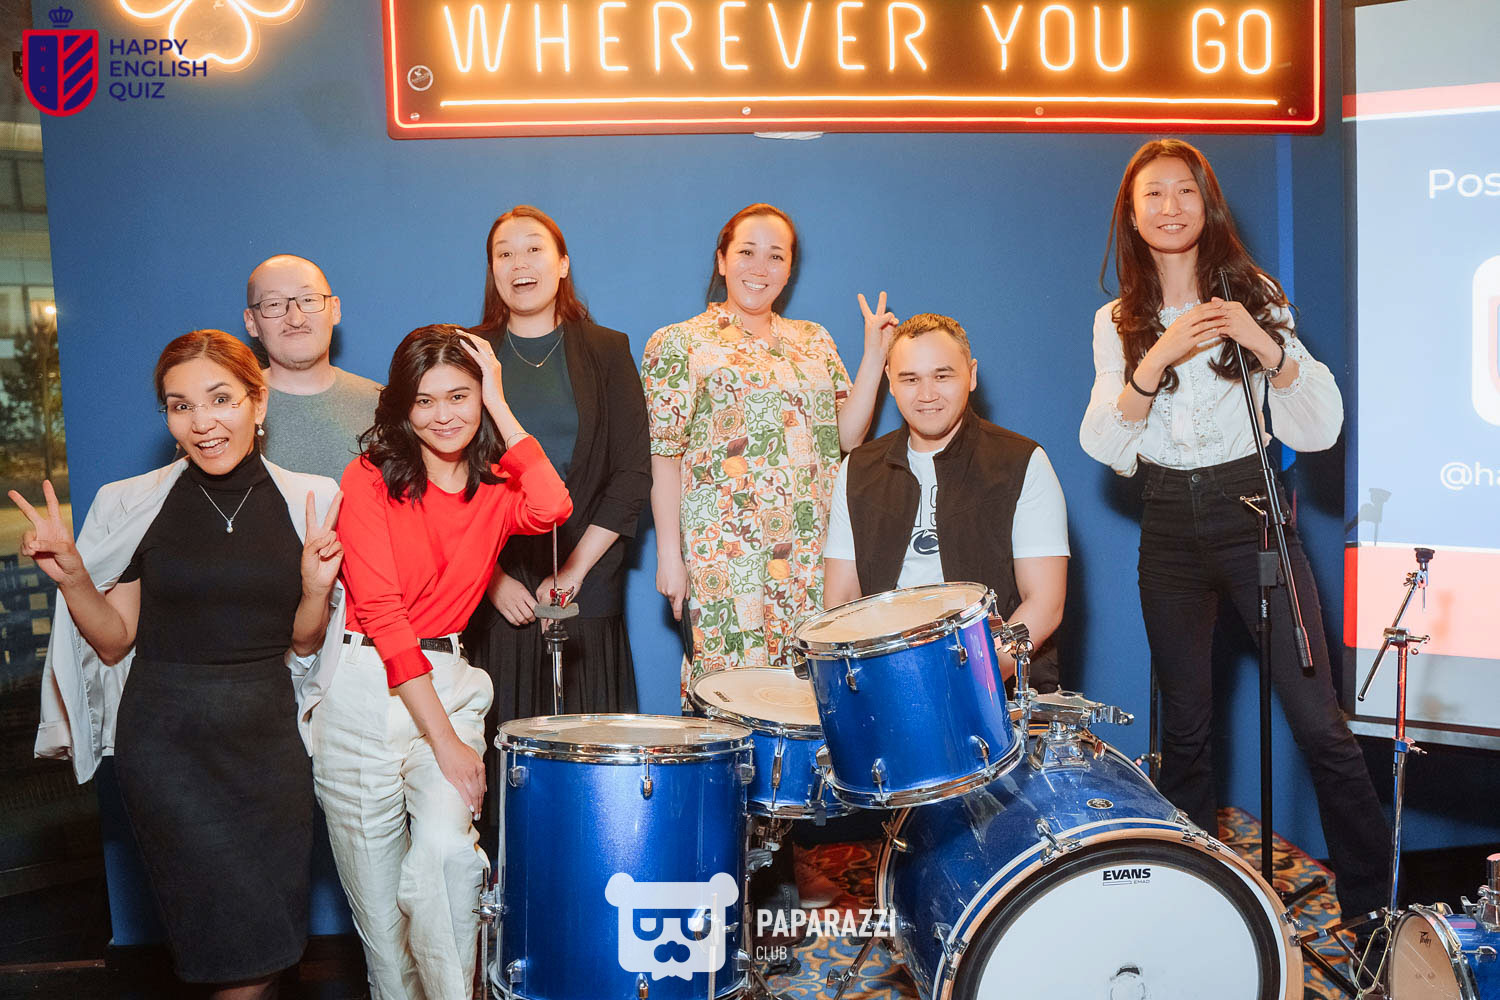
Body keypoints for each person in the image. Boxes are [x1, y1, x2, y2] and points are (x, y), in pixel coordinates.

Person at [1078, 138, 1390, 922]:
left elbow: (1319, 429)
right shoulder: (1118, 321)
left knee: (1320, 725)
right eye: (1153, 194)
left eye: (1185, 190)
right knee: (1184, 729)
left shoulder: (1258, 296)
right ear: (1133, 215)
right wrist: (1156, 359)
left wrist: (1262, 342)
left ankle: (1374, 912)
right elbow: (1107, 445)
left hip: (1251, 512)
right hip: (1167, 523)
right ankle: (1194, 912)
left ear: (1207, 204)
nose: (1170, 207)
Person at [21, 330, 344, 999]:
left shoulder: (312, 498)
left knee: (270, 939)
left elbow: (306, 643)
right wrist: (74, 576)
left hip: (269, 746)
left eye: (220, 399)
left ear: (259, 403)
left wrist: (316, 589)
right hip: (168, 748)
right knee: (227, 947)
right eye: (180, 405)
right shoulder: (130, 503)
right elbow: (114, 641)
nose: (202, 422)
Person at [314, 325, 571, 1000]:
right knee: (382, 929)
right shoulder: (369, 478)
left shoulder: (495, 487)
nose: (443, 415)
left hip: (450, 684)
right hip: (365, 690)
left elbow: (553, 506)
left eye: (460, 396)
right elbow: (383, 615)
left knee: (449, 856)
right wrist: (446, 743)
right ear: (403, 407)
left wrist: (502, 405)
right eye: (424, 401)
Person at [642, 203, 887, 695]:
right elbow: (664, 458)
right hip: (725, 555)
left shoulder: (814, 340)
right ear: (721, 260)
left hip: (812, 551)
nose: (760, 267)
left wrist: (875, 355)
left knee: (813, 698)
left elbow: (846, 438)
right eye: (746, 252)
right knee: (733, 699)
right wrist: (670, 557)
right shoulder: (679, 343)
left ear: (789, 269)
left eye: (776, 256)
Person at [464, 206, 650, 727]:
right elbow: (449, 476)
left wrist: (573, 572)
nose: (519, 263)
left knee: (589, 750)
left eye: (534, 249)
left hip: (588, 574)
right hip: (494, 581)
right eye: (505, 253)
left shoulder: (607, 350)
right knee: (503, 750)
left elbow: (632, 473)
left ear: (563, 263)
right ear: (493, 269)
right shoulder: (468, 352)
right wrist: (492, 580)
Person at [824, 311, 1070, 691]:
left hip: (994, 690)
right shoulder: (858, 470)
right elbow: (841, 602)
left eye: (942, 376)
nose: (927, 395)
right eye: (910, 379)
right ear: (890, 381)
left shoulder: (1022, 462)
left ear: (971, 375)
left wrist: (967, 684)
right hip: (885, 689)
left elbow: (1044, 605)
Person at [244, 253, 381, 481]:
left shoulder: (382, 404)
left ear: (334, 309)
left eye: (308, 300)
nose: (295, 319)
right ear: (251, 322)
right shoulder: (229, 409)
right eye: (274, 304)